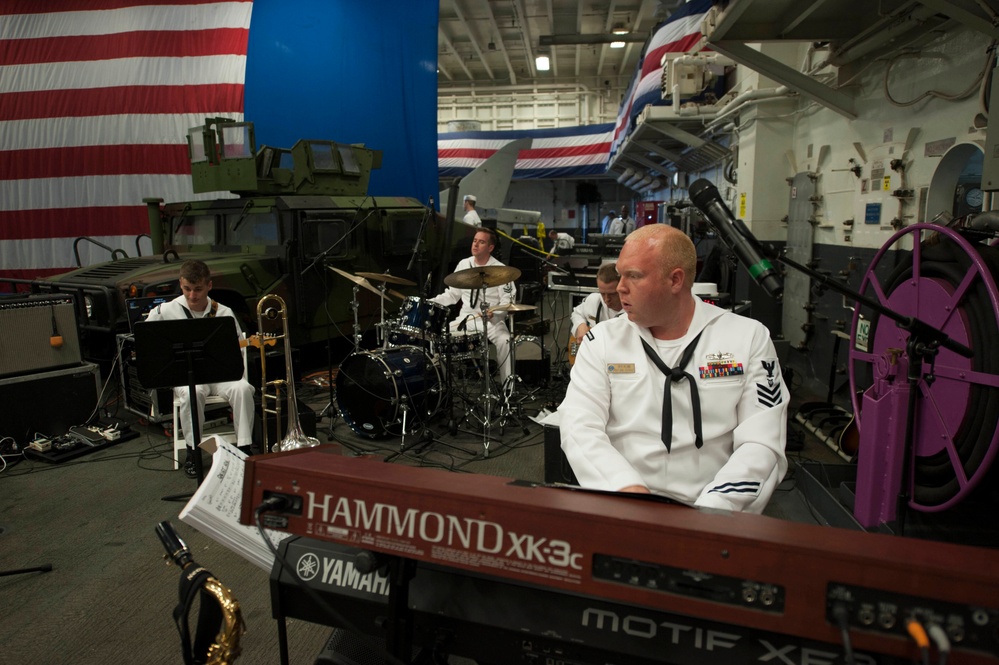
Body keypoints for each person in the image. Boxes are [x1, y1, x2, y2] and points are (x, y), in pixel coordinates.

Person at [557, 225, 788, 513]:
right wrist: (626, 490)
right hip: (624, 503)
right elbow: (579, 426)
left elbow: (762, 442)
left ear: (675, 280)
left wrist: (713, 507)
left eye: (634, 276)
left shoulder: (747, 337)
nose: (619, 287)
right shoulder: (602, 341)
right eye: (620, 274)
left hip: (718, 513)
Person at [146, 260, 255, 478]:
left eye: (198, 289)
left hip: (221, 374)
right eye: (187, 289)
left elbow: (236, 347)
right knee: (191, 393)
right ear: (181, 284)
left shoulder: (223, 312)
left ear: (209, 286)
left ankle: (244, 448)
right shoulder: (165, 311)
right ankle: (193, 451)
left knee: (242, 389)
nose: (192, 296)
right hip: (188, 376)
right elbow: (147, 340)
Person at [431, 228, 515, 385]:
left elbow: (507, 301)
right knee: (439, 340)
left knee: (505, 341)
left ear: (490, 248)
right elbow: (452, 294)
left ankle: (507, 389)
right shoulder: (464, 264)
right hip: (466, 318)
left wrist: (496, 313)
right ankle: (443, 389)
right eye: (475, 240)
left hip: (492, 321)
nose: (476, 244)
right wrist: (431, 302)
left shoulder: (501, 270)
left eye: (481, 242)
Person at [569, 262, 623, 344]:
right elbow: (576, 313)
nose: (606, 299)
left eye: (612, 294)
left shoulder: (635, 313)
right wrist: (580, 325)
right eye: (602, 293)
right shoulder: (594, 300)